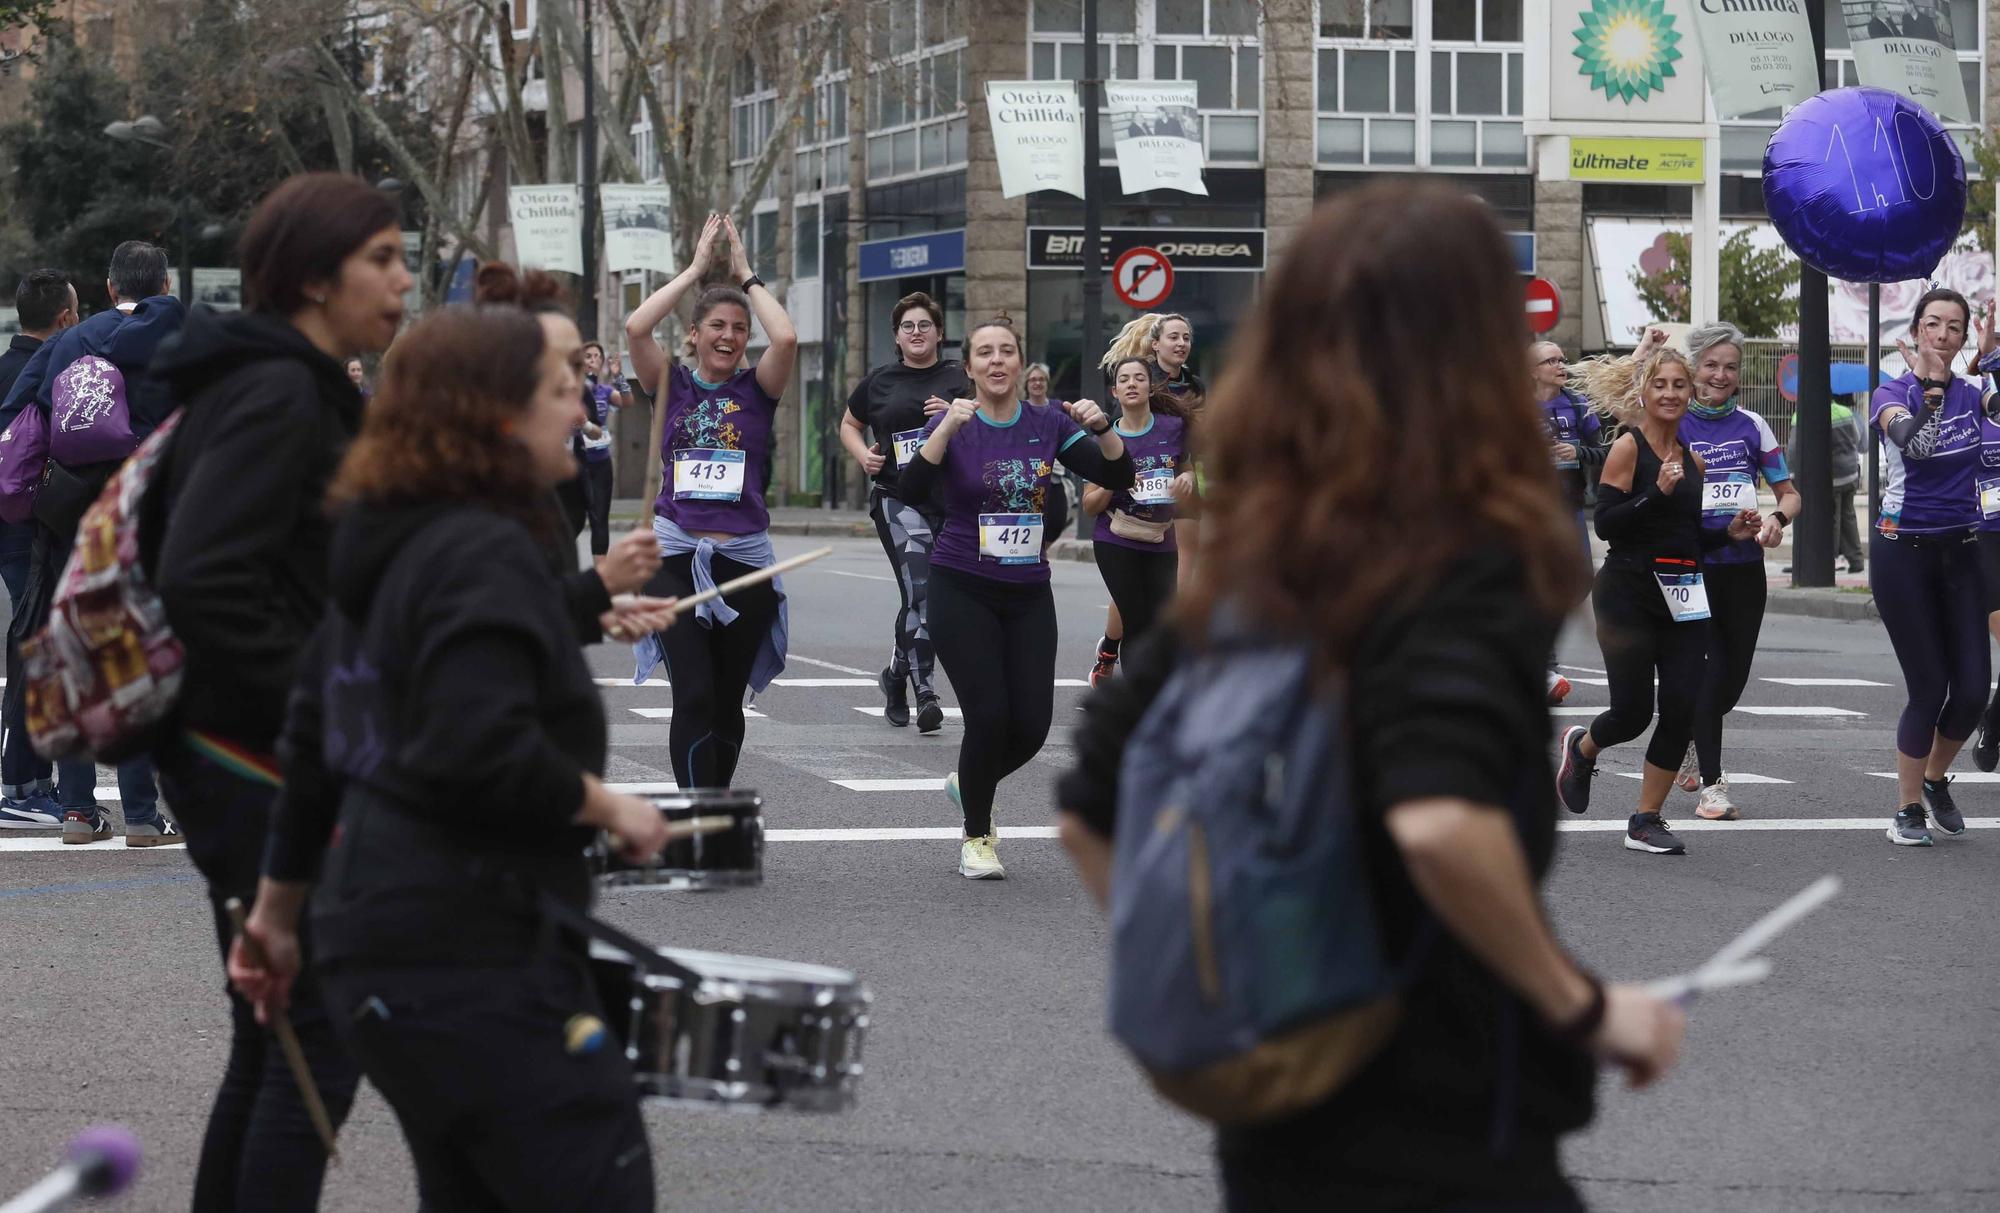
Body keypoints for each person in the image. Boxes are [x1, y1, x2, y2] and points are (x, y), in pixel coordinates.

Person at [1057, 181, 1685, 1211]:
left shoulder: (1271, 544)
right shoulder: (1456, 549)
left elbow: (1090, 805)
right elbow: (1439, 822)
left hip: (1272, 1110)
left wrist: (1227, 976)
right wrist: (1580, 1006)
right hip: (1445, 1119)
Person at [225, 295, 673, 1213]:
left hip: (376, 940)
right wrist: (608, 804)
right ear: (496, 412)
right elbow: (477, 745)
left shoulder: (389, 536)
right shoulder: (481, 546)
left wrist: (275, 916)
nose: (582, 413)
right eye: (561, 391)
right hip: (463, 947)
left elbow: (317, 730)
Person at [146, 174, 410, 1211]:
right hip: (248, 758)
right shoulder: (276, 391)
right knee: (314, 1050)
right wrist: (329, 705)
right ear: (311, 276)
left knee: (276, 1048)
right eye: (380, 259)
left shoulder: (282, 380)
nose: (399, 279)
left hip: (247, 750)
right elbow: (205, 580)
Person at [901, 316, 1131, 879]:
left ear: (1021, 364)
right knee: (988, 716)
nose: (997, 361)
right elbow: (907, 491)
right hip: (961, 586)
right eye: (985, 353)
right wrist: (944, 431)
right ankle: (977, 836)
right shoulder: (953, 423)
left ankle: (967, 782)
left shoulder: (1047, 421)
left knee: (1030, 726)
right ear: (970, 367)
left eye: (1007, 352)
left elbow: (1116, 472)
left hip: (1028, 591)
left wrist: (1104, 427)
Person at [3, 241, 181, 846]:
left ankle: (79, 810)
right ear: (163, 284)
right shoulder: (181, 336)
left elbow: (23, 407)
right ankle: (140, 813)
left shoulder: (70, 340)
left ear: (110, 289)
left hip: (68, 511)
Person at [1554, 341, 1761, 856]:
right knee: (1631, 712)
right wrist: (1655, 493)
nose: (1670, 394)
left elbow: (1688, 535)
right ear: (1643, 393)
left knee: (1680, 706)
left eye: (1678, 385)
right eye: (1660, 385)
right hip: (1629, 591)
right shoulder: (1630, 447)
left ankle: (1646, 818)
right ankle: (1582, 749)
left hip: (1686, 592)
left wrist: (1730, 533)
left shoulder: (1692, 458)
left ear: (1691, 394)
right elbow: (1607, 523)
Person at [624, 213, 797, 789]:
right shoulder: (669, 381)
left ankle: (714, 809)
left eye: (739, 329)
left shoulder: (759, 390)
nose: (728, 337)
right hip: (675, 559)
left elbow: (789, 338)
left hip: (743, 561)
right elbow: (636, 327)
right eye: (716, 326)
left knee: (725, 702)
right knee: (693, 692)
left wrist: (747, 277)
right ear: (694, 334)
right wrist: (696, 270)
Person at [1869, 288, 1993, 845]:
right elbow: (1910, 442)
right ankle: (1908, 806)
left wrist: (1990, 365)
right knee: (1929, 686)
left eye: (1954, 327)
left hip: (1962, 550)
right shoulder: (1888, 393)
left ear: (1963, 337)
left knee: (1971, 688)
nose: (1942, 336)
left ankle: (1938, 777)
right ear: (1916, 331)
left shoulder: (1974, 394)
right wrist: (1931, 391)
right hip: (1904, 553)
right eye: (1933, 324)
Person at [1674, 321, 1800, 820]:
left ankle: (1684, 730)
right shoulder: (1674, 421)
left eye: (1730, 367)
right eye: (1711, 365)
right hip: (1689, 566)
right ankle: (1712, 785)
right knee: (1709, 674)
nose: (1720, 375)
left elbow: (1789, 493)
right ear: (1693, 368)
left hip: (1743, 569)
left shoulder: (1752, 425)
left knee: (1731, 682)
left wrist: (1774, 519)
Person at [838, 291, 968, 734]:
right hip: (898, 496)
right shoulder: (879, 382)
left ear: (939, 332)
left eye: (925, 325)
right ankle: (925, 692)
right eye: (908, 327)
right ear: (897, 336)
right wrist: (863, 456)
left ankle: (895, 675)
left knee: (934, 599)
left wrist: (954, 414)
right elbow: (849, 423)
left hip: (950, 500)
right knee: (922, 590)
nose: (917, 333)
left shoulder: (958, 378)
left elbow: (990, 424)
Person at [1088, 313, 1205, 686]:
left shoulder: (1187, 399)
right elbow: (1092, 503)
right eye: (1174, 336)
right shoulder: (1114, 425)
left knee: (1167, 602)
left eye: (1186, 337)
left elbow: (1188, 453)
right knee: (1134, 609)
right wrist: (1117, 471)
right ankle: (1116, 656)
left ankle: (1165, 663)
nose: (1181, 343)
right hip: (1120, 523)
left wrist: (1187, 476)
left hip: (1167, 509)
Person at [0, 269, 76, 829]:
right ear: (65, 318)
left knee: (27, 644)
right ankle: (23, 785)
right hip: (34, 530)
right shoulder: (55, 373)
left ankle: (21, 778)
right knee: (38, 649)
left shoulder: (4, 367)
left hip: (6, 528)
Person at [1083, 356, 1193, 648]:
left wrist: (1188, 481)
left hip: (1161, 537)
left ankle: (1135, 671)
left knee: (1164, 622)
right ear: (1115, 393)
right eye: (1124, 380)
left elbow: (1186, 469)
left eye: (1139, 378)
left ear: (1151, 388)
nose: (1132, 384)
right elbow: (1090, 505)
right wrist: (1116, 480)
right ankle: (1141, 691)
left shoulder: (1174, 428)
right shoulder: (1103, 441)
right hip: (1117, 538)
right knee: (1137, 622)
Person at [1532, 339, 1605, 707]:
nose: (1560, 365)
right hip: (1531, 512)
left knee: (1577, 583)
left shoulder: (1577, 405)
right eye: (1551, 360)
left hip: (1570, 507)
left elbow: (1605, 453)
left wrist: (1578, 452)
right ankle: (1544, 666)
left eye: (1562, 359)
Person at [1787, 393, 1866, 574]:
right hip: (1851, 473)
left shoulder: (1803, 414)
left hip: (1830, 477)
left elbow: (1793, 448)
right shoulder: (1846, 412)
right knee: (1849, 517)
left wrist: (1792, 474)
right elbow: (1857, 439)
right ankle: (1856, 560)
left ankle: (1827, 561)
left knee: (1831, 520)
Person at [579, 341, 632, 557]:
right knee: (572, 517)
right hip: (577, 460)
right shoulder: (572, 389)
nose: (593, 360)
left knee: (599, 518)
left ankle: (600, 576)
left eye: (597, 356)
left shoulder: (605, 391)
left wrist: (619, 376)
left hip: (601, 461)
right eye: (588, 356)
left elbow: (627, 402)